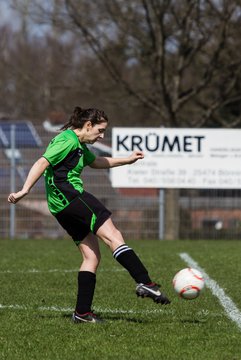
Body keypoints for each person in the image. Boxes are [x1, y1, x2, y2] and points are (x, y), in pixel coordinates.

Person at [8, 106, 170, 323]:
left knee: (91, 257)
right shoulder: (67, 140)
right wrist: (25, 190)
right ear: (87, 125)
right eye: (100, 130)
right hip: (72, 196)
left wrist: (127, 159)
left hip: (61, 206)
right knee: (113, 235)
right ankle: (145, 282)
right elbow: (42, 162)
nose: (102, 135)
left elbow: (96, 162)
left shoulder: (79, 144)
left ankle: (82, 313)